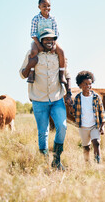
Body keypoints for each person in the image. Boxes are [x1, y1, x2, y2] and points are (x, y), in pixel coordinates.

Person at [19, 28, 72, 171]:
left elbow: (67, 75)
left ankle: (56, 160)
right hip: (38, 99)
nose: (49, 41)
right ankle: (44, 162)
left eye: (52, 39)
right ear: (41, 41)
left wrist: (69, 93)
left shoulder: (58, 56)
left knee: (62, 127)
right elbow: (22, 74)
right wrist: (31, 64)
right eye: (46, 39)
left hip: (57, 98)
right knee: (43, 132)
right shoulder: (32, 54)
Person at [28, 0, 67, 84]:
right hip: (39, 40)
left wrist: (53, 44)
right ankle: (31, 72)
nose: (47, 8)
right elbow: (33, 33)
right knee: (33, 52)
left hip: (51, 39)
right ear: (39, 7)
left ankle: (62, 73)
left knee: (61, 52)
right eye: (44, 6)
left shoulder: (52, 18)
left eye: (48, 6)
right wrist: (38, 45)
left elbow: (56, 32)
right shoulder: (35, 19)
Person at [70, 71, 105, 163]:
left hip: (94, 125)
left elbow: (102, 112)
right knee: (86, 147)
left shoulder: (96, 97)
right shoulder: (78, 98)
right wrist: (70, 106)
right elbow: (74, 112)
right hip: (83, 126)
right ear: (80, 85)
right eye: (85, 84)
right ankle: (87, 163)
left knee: (96, 143)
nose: (88, 86)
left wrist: (102, 126)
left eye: (90, 84)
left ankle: (98, 163)